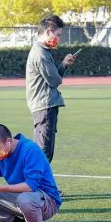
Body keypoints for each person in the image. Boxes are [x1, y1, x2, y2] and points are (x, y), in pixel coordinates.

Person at [25, 14, 78, 162]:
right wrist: (62, 67)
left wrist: (64, 64)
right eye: (58, 35)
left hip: (44, 106)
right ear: (48, 31)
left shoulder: (42, 50)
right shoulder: (40, 54)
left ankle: (34, 177)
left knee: (43, 152)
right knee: (43, 153)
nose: (58, 39)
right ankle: (32, 178)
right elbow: (54, 80)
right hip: (44, 106)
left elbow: (53, 77)